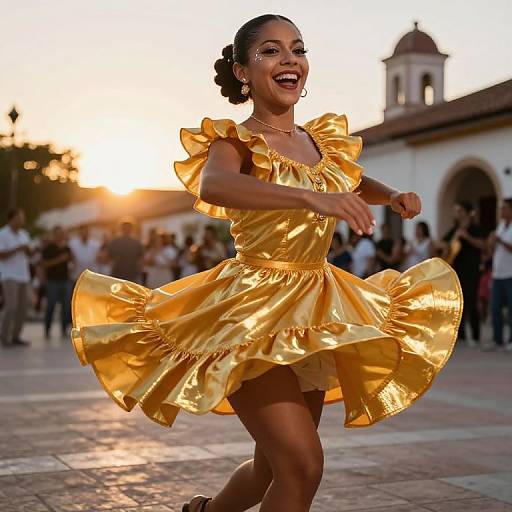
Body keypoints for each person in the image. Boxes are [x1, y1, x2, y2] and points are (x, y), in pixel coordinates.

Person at [70, 15, 462, 512]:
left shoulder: (320, 141)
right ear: (242, 71)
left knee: (270, 468)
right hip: (251, 311)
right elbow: (215, 185)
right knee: (302, 466)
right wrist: (309, 200)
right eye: (271, 51)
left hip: (316, 309)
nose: (289, 60)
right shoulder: (235, 140)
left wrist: (394, 196)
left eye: (297, 49)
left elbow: (351, 181)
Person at [442, 200, 486, 347]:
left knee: (472, 301)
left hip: (472, 269)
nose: (457, 214)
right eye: (456, 211)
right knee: (458, 302)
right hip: (457, 269)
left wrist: (466, 236)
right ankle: (460, 335)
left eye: (459, 211)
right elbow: (442, 243)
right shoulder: (455, 228)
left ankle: (475, 335)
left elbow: (483, 245)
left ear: (468, 213)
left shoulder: (475, 228)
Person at [0, 209, 32, 347]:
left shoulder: (24, 234)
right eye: (19, 218)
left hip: (23, 275)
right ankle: (4, 335)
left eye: (22, 218)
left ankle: (16, 336)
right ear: (11, 219)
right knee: (11, 306)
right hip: (9, 275)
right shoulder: (3, 234)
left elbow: (29, 253)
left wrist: (29, 250)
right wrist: (18, 248)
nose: (21, 220)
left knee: (23, 308)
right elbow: (1, 255)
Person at [488, 199, 512, 351]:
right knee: (495, 308)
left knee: (511, 309)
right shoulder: (501, 226)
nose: (501, 211)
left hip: (510, 274)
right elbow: (492, 247)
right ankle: (497, 340)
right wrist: (491, 241)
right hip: (498, 274)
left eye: (504, 208)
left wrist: (500, 241)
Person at [42, 225, 73, 339]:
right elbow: (44, 264)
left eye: (62, 233)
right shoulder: (48, 248)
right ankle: (47, 329)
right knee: (51, 305)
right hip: (52, 281)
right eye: (59, 233)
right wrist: (59, 260)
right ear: (54, 234)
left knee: (66, 306)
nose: (61, 235)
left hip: (65, 281)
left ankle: (64, 329)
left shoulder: (67, 248)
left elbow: (71, 261)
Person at [106, 219, 144, 283]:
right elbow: (108, 258)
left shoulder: (137, 243)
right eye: (125, 228)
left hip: (132, 275)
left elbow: (141, 259)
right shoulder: (114, 242)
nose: (126, 229)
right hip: (118, 274)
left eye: (128, 228)